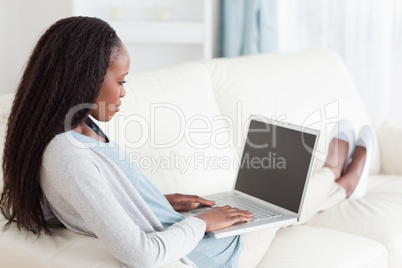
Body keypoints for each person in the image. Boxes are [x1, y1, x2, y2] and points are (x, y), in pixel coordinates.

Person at [0, 16, 376, 268]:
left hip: (180, 227)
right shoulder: (67, 154)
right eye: (122, 80)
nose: (124, 92)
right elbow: (141, 254)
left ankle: (335, 173)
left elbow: (95, 202)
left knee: (263, 198)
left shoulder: (74, 129)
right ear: (85, 77)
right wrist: (206, 224)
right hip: (204, 253)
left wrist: (162, 202)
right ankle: (341, 178)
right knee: (281, 209)